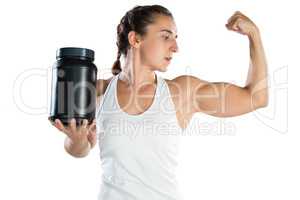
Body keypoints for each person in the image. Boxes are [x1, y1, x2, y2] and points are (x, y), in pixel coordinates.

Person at [50, 4, 268, 200]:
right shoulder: (97, 91)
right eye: (166, 36)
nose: (175, 47)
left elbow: (256, 98)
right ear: (135, 39)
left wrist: (254, 36)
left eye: (175, 38)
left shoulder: (182, 93)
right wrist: (76, 140)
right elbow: (79, 148)